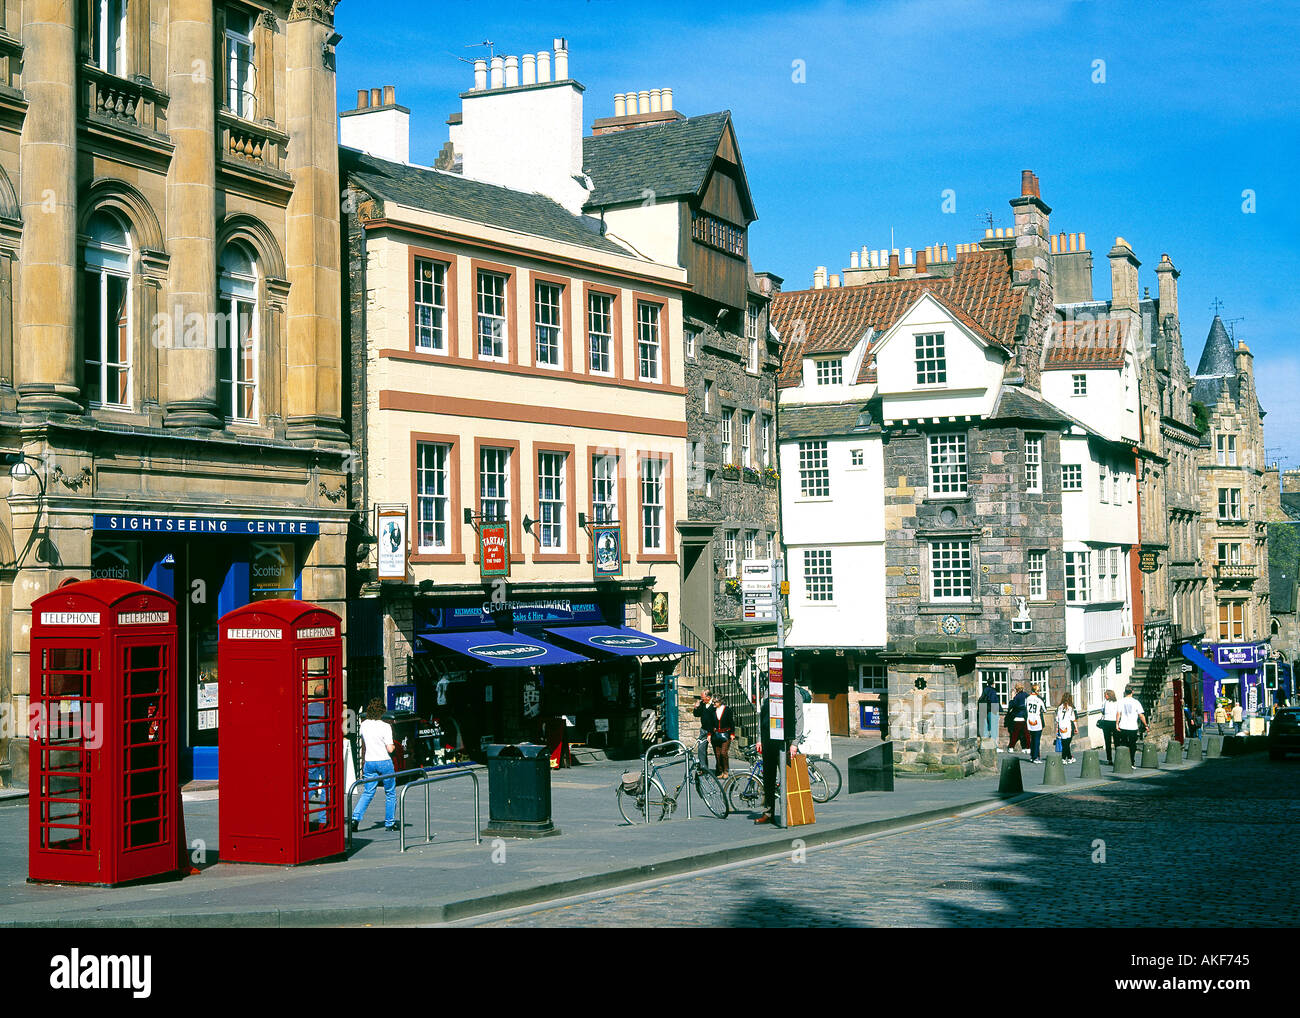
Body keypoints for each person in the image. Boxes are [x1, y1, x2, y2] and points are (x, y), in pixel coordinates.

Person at [351, 698, 397, 833]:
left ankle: (355, 818)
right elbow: (390, 749)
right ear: (382, 711)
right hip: (384, 761)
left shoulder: (364, 725)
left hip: (369, 761)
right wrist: (394, 745)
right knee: (390, 793)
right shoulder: (385, 726)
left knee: (368, 792)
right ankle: (390, 823)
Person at [754, 694, 783, 825]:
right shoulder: (767, 699)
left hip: (783, 744)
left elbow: (798, 720)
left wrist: (794, 743)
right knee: (768, 780)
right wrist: (759, 739)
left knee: (787, 780)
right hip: (768, 743)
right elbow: (761, 721)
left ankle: (790, 813)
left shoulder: (792, 694)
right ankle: (768, 812)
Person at [710, 693, 736, 779]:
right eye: (713, 702)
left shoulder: (727, 710)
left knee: (723, 753)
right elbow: (711, 724)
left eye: (715, 702)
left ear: (720, 702)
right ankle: (720, 771)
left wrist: (732, 733)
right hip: (716, 734)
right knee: (717, 754)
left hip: (725, 734)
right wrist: (709, 734)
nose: (714, 704)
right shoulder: (713, 710)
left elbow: (731, 722)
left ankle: (726, 770)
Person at [1117, 686, 1146, 762]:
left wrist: (1117, 724)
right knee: (1132, 744)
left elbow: (1118, 713)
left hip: (1123, 725)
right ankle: (1132, 761)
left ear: (1125, 692)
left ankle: (1124, 761)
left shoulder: (1121, 701)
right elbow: (1141, 715)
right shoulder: (1136, 702)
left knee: (1124, 744)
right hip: (1132, 726)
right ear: (1132, 692)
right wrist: (1145, 725)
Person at [692, 689, 717, 770]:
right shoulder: (703, 703)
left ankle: (720, 770)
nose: (701, 699)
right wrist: (696, 708)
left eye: (702, 697)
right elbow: (697, 714)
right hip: (704, 730)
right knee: (701, 749)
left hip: (713, 730)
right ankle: (703, 767)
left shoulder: (714, 704)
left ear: (708, 697)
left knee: (717, 750)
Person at [1024, 684, 1046, 763]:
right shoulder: (1039, 699)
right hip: (1037, 721)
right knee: (1037, 740)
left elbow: (1025, 707)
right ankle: (1036, 757)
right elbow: (1044, 709)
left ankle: (1032, 756)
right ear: (1037, 690)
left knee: (1032, 739)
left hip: (1029, 721)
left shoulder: (1027, 698)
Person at [1006, 683, 1029, 754]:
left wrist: (1012, 698)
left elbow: (1011, 706)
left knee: (1014, 735)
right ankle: (1027, 748)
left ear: (1016, 689)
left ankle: (1011, 747)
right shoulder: (1026, 695)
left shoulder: (1017, 697)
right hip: (1025, 717)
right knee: (1026, 734)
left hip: (1017, 717)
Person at [1056, 692, 1078, 763]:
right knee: (1067, 743)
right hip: (1068, 726)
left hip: (1061, 726)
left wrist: (1057, 728)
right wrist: (1076, 728)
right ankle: (1064, 758)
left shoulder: (1059, 708)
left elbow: (1057, 719)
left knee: (1064, 742)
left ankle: (1069, 757)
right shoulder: (1071, 708)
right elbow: (1073, 719)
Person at [1099, 689, 1120, 763]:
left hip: (1108, 722)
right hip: (1113, 722)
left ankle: (1110, 759)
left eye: (1106, 695)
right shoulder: (1117, 703)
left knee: (1108, 741)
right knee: (1115, 741)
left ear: (1109, 695)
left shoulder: (1105, 702)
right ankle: (1115, 759)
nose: (1105, 696)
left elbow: (1102, 711)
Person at [979, 677, 1001, 741]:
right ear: (993, 683)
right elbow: (994, 701)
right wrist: (1000, 710)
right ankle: (994, 746)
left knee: (985, 729)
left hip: (983, 709)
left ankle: (986, 746)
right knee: (993, 729)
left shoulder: (985, 689)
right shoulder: (993, 690)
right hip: (991, 710)